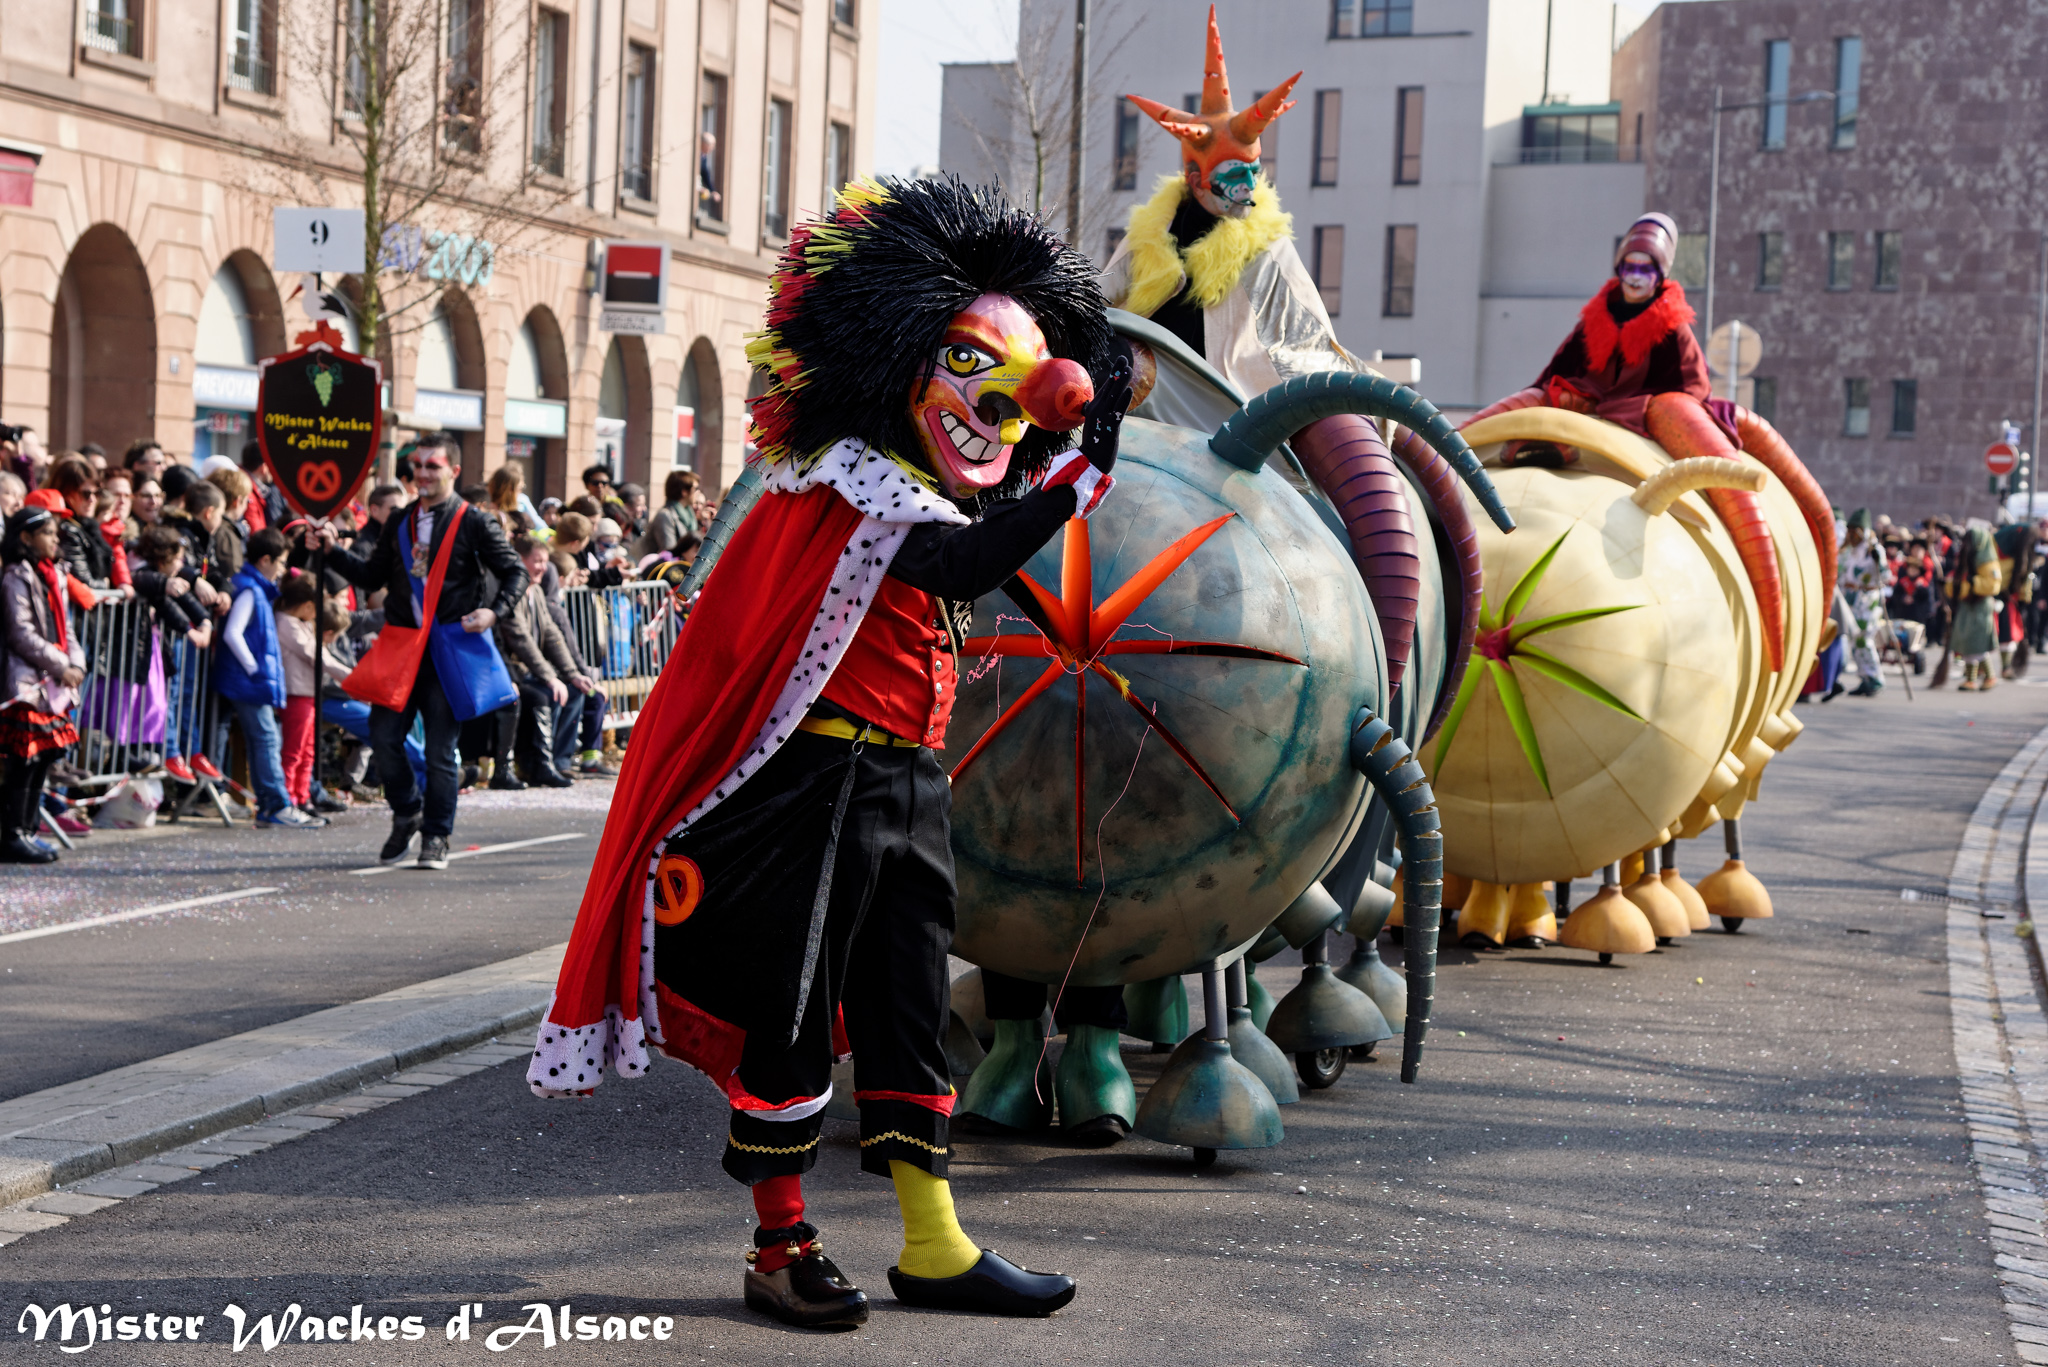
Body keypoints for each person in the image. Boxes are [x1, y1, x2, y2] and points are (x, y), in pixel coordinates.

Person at [532, 175, 1122, 1328]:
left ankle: (933, 1240)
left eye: (1012, 398)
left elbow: (968, 556)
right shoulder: (843, 486)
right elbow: (954, 567)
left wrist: (1060, 461)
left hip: (903, 779)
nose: (997, 410)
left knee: (907, 1008)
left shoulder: (910, 491)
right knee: (791, 1015)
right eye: (973, 375)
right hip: (815, 788)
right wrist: (1072, 486)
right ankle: (779, 1241)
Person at [324, 432, 526, 870]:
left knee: (439, 750)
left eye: (432, 466)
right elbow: (372, 573)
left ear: (453, 471)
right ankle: (406, 811)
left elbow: (515, 573)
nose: (422, 474)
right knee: (382, 735)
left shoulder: (474, 521)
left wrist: (492, 614)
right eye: (417, 466)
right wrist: (331, 552)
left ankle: (436, 835)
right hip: (401, 647)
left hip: (447, 650)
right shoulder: (399, 520)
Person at [218, 527, 323, 828]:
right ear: (265, 560)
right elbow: (233, 634)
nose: (281, 570)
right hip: (249, 682)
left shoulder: (254, 588)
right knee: (265, 739)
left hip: (251, 681)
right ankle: (276, 804)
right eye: (279, 562)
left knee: (263, 739)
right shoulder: (250, 589)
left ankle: (270, 804)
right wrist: (254, 670)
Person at [1, 505, 86, 863]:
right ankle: (12, 834)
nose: (56, 539)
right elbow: (21, 632)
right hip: (25, 680)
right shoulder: (15, 576)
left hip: (52, 680)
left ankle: (29, 828)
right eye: (48, 533)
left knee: (44, 757)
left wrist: (75, 664)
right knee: (23, 759)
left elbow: (66, 628)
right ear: (25, 537)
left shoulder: (55, 574)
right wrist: (59, 664)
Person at [492, 534, 583, 789]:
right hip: (510, 670)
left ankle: (558, 760)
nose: (543, 567)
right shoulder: (512, 591)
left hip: (530, 670)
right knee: (546, 694)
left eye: (545, 561)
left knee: (575, 690)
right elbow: (520, 638)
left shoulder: (537, 591)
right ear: (519, 560)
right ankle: (536, 765)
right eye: (537, 561)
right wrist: (550, 677)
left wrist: (572, 673)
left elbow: (552, 633)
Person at [1837, 508, 1892, 696]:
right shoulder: (1848, 552)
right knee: (1855, 641)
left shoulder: (1874, 550)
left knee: (1864, 639)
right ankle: (1864, 677)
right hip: (1851, 600)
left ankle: (1875, 677)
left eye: (1856, 531)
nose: (1852, 535)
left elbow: (1886, 575)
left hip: (1867, 601)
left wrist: (1879, 562)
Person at [1948, 519, 2004, 691]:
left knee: (1977, 643)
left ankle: (1989, 676)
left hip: (1980, 606)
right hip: (1967, 606)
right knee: (1967, 642)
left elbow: (1993, 584)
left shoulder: (1988, 561)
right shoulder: (1966, 559)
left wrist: (1973, 584)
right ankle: (1971, 679)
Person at [635, 469, 702, 560]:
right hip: (663, 571)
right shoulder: (665, 516)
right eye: (696, 489)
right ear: (684, 492)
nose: (698, 492)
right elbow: (669, 552)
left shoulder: (690, 516)